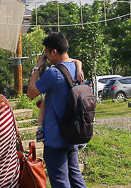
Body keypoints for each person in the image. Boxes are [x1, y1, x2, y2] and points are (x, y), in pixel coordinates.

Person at [28, 32, 88, 188]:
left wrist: (37, 68)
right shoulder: (77, 69)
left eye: (46, 53)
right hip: (73, 134)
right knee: (76, 179)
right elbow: (75, 61)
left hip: (56, 139)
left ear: (53, 52)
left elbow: (31, 93)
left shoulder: (53, 73)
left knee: (61, 182)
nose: (46, 57)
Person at [37, 57, 84, 143]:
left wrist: (79, 70)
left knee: (43, 106)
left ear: (54, 53)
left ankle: (40, 130)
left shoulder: (56, 68)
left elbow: (78, 61)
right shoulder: (54, 66)